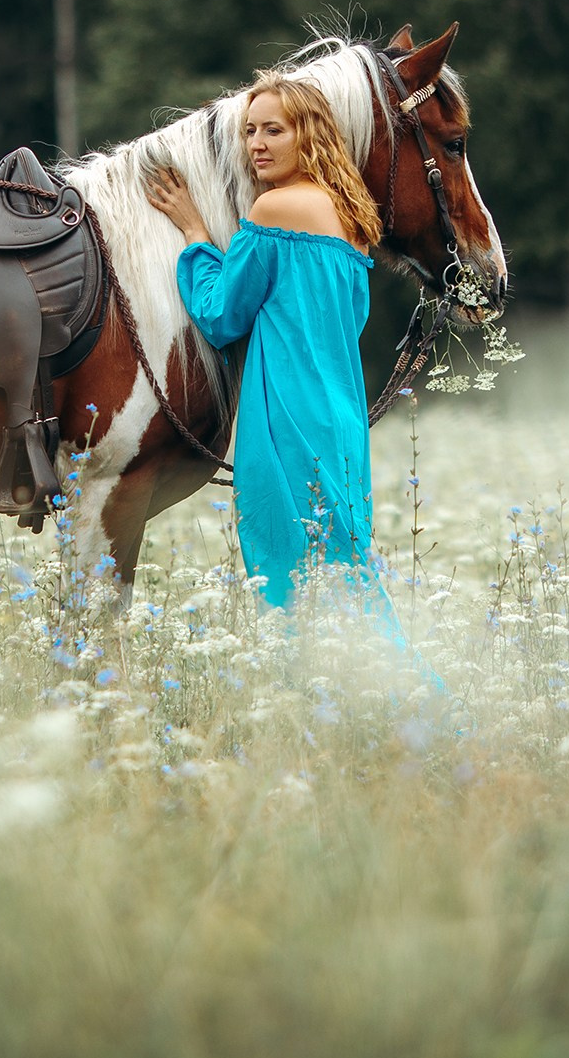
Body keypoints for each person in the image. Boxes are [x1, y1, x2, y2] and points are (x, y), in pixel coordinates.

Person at [147, 70, 401, 638]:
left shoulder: (274, 211)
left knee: (291, 581)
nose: (256, 144)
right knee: (347, 575)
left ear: (308, 134)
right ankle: (379, 703)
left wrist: (193, 231)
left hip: (285, 418)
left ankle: (338, 701)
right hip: (340, 418)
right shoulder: (353, 218)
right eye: (249, 131)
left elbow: (220, 315)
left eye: (274, 131)